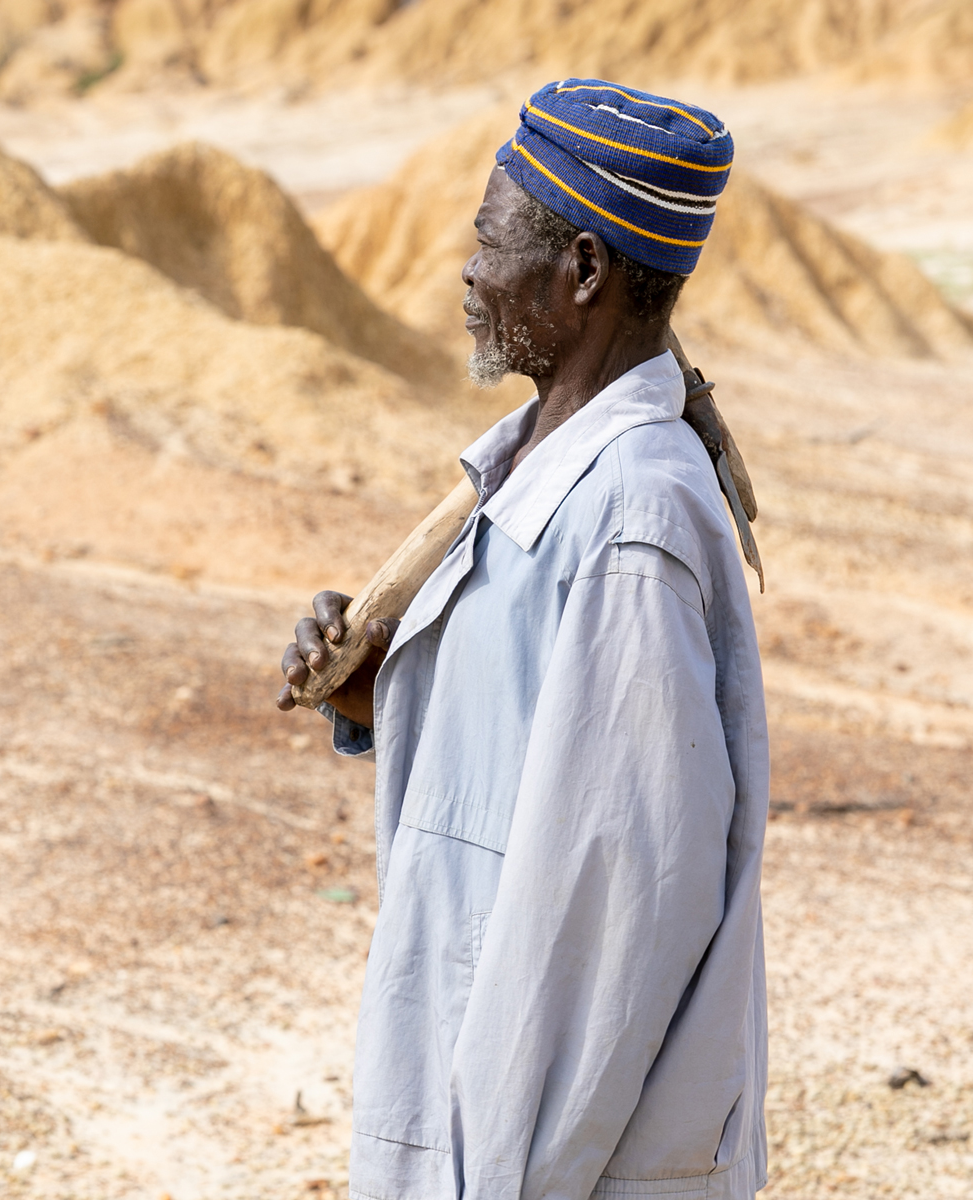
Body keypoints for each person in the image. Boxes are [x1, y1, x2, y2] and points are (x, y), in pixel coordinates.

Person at [276, 80, 769, 1199]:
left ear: (585, 271)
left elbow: (619, 911)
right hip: (482, 1111)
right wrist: (376, 694)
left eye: (490, 239)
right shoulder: (536, 468)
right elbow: (526, 752)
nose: (468, 269)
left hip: (548, 1153)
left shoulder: (633, 520)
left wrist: (507, 1174)